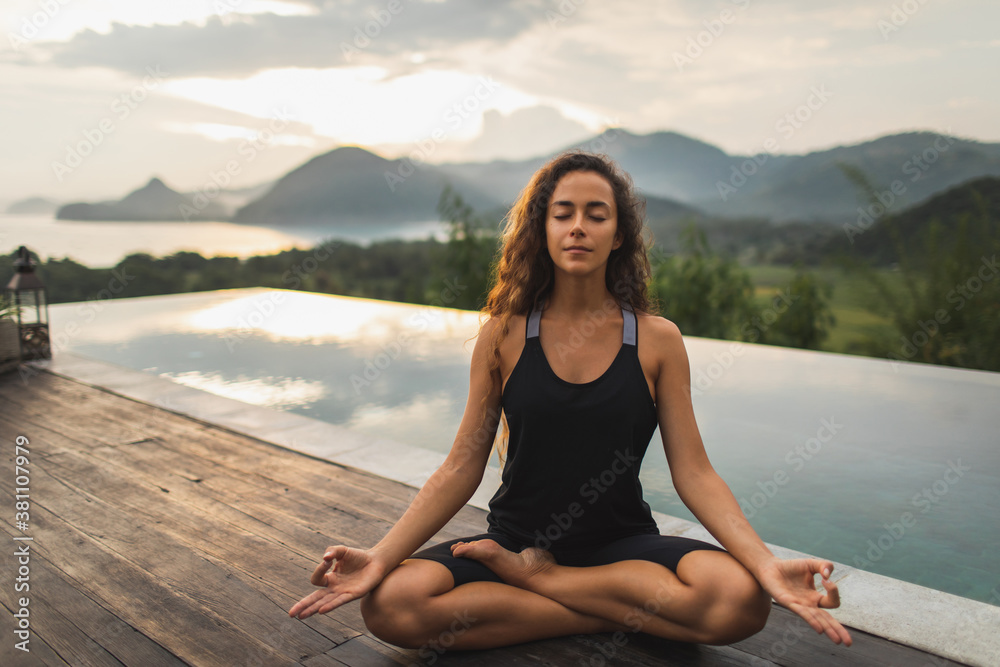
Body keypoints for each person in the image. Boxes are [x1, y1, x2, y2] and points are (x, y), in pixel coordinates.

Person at [288, 150, 852, 651]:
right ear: (544, 229)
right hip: (515, 539)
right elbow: (462, 466)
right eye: (563, 213)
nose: (578, 227)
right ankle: (613, 614)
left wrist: (766, 566)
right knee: (390, 606)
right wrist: (381, 558)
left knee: (740, 601)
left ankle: (546, 585)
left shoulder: (657, 340)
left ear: (620, 234)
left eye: (596, 214)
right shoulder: (504, 335)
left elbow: (695, 472)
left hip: (622, 546)